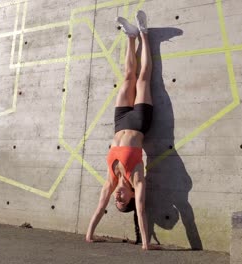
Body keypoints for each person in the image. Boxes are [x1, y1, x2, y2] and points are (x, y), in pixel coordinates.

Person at [85, 10, 159, 250]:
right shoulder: (137, 180)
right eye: (121, 201)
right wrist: (146, 243)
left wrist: (89, 235)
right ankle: (144, 34)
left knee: (127, 77)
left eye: (115, 201)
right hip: (139, 122)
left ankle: (130, 36)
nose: (117, 197)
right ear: (128, 198)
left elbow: (99, 207)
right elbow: (141, 209)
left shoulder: (110, 181)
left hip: (119, 122)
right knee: (143, 79)